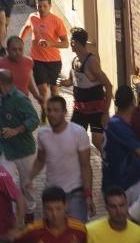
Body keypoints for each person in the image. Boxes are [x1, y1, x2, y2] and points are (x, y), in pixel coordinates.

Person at [27, 95, 95, 223]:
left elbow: (85, 166)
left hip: (75, 192)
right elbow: (40, 160)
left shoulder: (78, 133)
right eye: (49, 110)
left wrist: (88, 195)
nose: (51, 114)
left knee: (77, 232)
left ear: (65, 112)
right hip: (52, 193)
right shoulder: (43, 134)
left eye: (56, 110)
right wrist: (29, 177)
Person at [0, 69, 39, 223]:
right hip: (7, 150)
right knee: (4, 183)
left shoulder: (20, 99)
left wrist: (17, 130)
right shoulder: (1, 98)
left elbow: (34, 119)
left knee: (27, 186)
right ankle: (9, 221)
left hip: (24, 151)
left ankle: (29, 218)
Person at [59, 27, 112, 151]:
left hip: (96, 110)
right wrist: (64, 83)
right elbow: (71, 81)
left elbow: (108, 86)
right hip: (80, 109)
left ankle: (109, 161)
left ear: (75, 42)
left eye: (71, 40)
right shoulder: (74, 61)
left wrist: (105, 113)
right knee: (72, 139)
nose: (70, 43)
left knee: (98, 142)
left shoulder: (91, 62)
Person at [20, 0, 68, 120]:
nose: (42, 9)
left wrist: (50, 44)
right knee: (42, 90)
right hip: (37, 60)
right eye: (39, 6)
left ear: (50, 6)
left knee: (54, 90)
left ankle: (57, 115)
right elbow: (25, 29)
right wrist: (19, 44)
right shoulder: (33, 17)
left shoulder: (56, 21)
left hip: (54, 61)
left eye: (45, 6)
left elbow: (65, 43)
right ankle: (45, 113)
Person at [102, 85, 140, 219]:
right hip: (122, 187)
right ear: (133, 102)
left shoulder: (114, 122)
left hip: (120, 184)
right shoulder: (118, 126)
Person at [17, 186, 87, 242]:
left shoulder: (79, 230)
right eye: (49, 209)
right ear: (44, 209)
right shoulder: (33, 230)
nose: (54, 214)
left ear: (65, 206)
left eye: (58, 209)